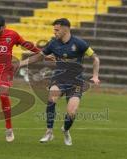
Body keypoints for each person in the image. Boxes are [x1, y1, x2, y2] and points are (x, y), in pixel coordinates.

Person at [18, 18, 100, 146]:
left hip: (76, 81)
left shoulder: (79, 43)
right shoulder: (53, 44)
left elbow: (95, 58)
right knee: (51, 98)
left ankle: (66, 130)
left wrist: (95, 76)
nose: (54, 32)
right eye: (54, 30)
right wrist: (21, 63)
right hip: (59, 78)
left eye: (57, 30)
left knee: (72, 112)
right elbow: (39, 56)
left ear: (65, 29)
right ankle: (49, 131)